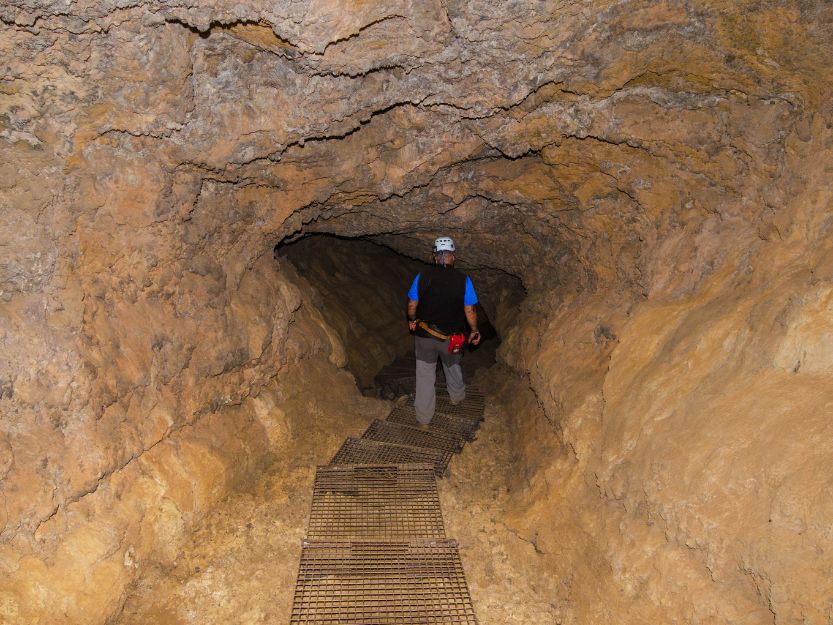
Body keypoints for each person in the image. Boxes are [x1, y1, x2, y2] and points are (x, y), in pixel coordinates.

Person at [406, 236, 481, 426]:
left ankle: (423, 418)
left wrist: (412, 320)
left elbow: (412, 303)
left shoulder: (422, 276)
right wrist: (474, 330)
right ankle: (456, 396)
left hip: (424, 335)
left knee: (424, 375)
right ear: (453, 256)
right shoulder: (464, 280)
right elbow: (469, 309)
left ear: (434, 256)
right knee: (452, 364)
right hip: (450, 337)